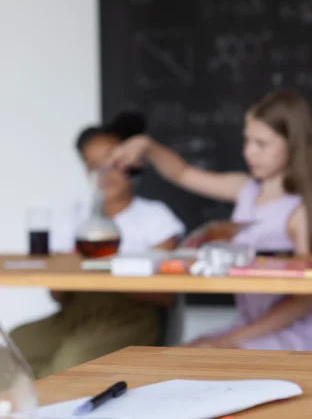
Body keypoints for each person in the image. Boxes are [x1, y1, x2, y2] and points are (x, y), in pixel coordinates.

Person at [109, 90, 312, 351]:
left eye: (261, 144)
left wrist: (230, 340)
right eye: (246, 140)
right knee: (182, 355)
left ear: (293, 145)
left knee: (201, 354)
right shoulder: (245, 189)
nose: (249, 152)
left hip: (289, 331)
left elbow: (301, 302)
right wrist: (148, 147)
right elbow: (183, 174)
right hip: (248, 326)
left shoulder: (298, 212)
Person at [10, 112, 186, 379]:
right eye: (93, 166)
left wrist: (99, 269)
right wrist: (65, 273)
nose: (104, 174)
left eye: (111, 162)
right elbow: (58, 294)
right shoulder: (75, 217)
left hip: (130, 317)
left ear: (129, 162)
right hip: (75, 315)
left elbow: (166, 294)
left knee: (70, 362)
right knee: (14, 348)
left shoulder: (156, 217)